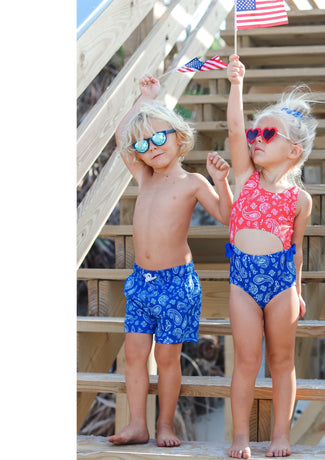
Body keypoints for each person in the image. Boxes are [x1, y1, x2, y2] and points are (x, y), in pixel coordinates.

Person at [108, 74, 233, 447]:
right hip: (141, 282)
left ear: (179, 137)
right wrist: (146, 98)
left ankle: (165, 425)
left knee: (166, 357)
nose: (151, 147)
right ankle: (137, 424)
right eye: (143, 144)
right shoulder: (144, 176)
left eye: (159, 137)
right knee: (134, 354)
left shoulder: (193, 182)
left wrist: (221, 181)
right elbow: (121, 135)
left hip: (176, 284)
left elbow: (227, 217)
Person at [225, 55, 318, 458]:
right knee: (246, 360)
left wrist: (298, 290)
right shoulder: (245, 177)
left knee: (282, 361)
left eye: (267, 133)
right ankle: (240, 437)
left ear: (293, 151)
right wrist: (236, 85)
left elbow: (296, 249)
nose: (255, 139)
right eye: (254, 132)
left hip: (281, 284)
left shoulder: (300, 200)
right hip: (243, 282)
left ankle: (281, 435)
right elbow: (233, 127)